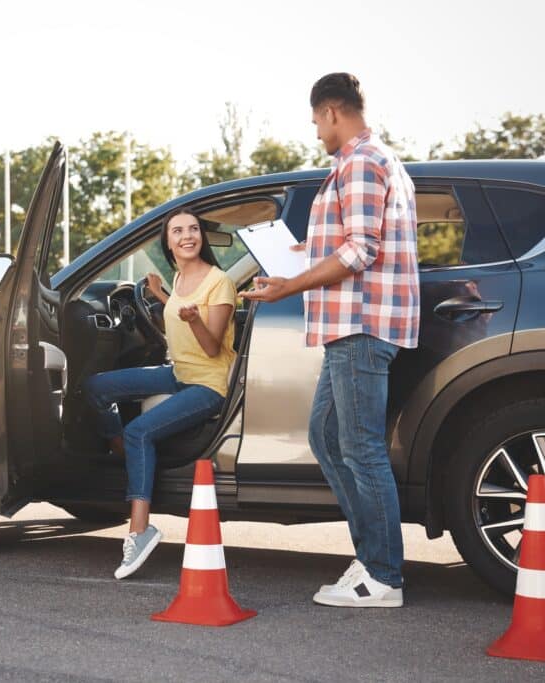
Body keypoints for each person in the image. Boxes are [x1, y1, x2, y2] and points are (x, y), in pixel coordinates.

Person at [240, 73, 420, 607]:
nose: (316, 129)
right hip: (349, 327)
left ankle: (383, 575)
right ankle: (369, 556)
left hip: (361, 326)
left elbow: (362, 249)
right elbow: (350, 239)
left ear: (334, 111)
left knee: (361, 447)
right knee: (325, 434)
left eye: (317, 119)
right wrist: (298, 255)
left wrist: (289, 287)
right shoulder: (364, 163)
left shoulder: (362, 161)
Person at [83, 207, 237, 579]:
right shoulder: (180, 278)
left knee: (140, 431)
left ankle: (139, 530)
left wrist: (196, 319)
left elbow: (213, 348)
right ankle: (127, 454)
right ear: (168, 242)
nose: (187, 236)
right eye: (178, 231)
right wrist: (159, 295)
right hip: (178, 373)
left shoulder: (220, 282)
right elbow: (178, 321)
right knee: (97, 387)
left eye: (194, 229)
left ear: (201, 236)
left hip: (207, 384)